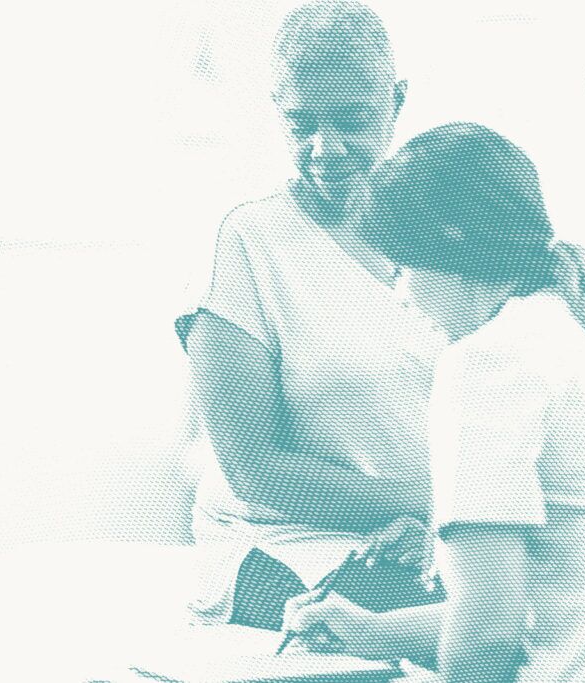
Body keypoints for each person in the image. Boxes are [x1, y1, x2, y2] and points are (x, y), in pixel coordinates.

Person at [283, 122, 585, 681]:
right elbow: (540, 602)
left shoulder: (488, 363)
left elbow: (488, 634)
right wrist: (376, 634)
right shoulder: (584, 333)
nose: (400, 294)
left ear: (450, 242)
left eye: (402, 266)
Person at [175, 0, 446, 631]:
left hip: (415, 541)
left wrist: (441, 522)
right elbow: (256, 472)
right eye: (301, 124)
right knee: (480, 634)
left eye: (352, 119)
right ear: (277, 110)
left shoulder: (434, 240)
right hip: (281, 549)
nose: (326, 148)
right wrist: (446, 505)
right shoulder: (246, 242)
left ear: (396, 101)